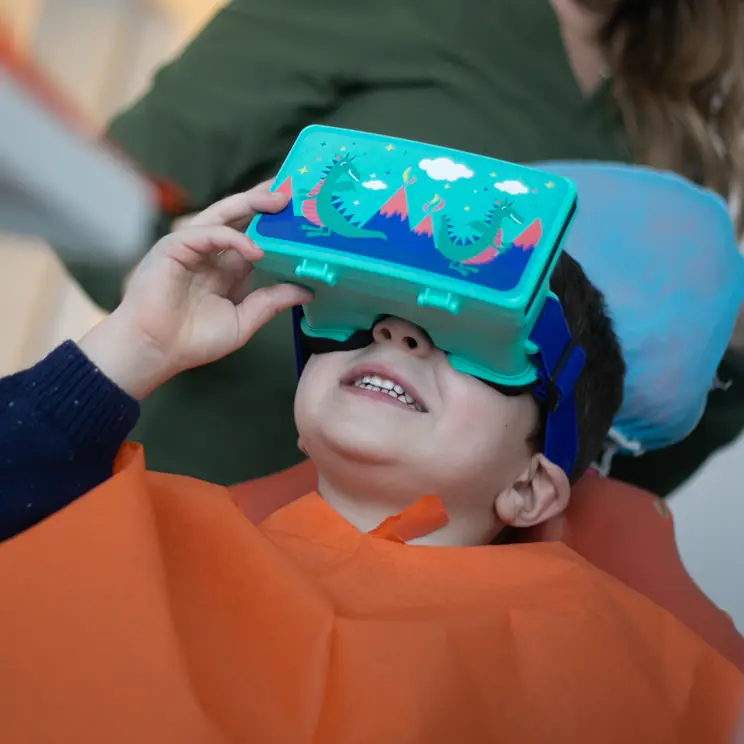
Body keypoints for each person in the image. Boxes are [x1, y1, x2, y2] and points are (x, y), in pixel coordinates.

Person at [1, 188, 741, 743]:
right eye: (359, 318)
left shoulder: (601, 667)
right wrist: (135, 345)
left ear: (529, 486)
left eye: (477, 340)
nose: (394, 331)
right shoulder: (124, 522)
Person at [60, 0, 744, 492]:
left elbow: (607, 460)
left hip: (430, 577)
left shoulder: (665, 136)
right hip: (196, 485)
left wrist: (730, 359)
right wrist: (186, 306)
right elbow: (95, 199)